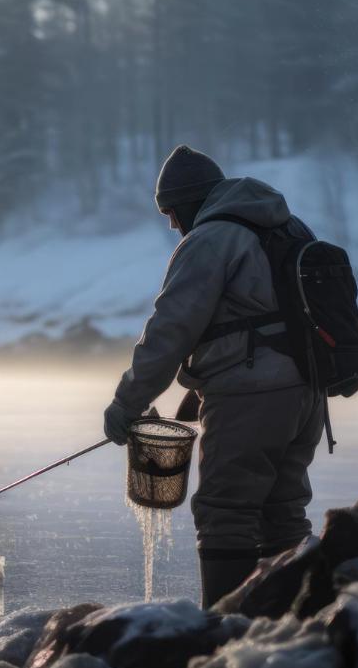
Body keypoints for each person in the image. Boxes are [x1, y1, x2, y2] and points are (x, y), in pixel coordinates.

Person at [103, 145, 324, 608]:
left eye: (170, 211)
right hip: (309, 393)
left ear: (189, 201)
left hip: (250, 397)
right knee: (283, 512)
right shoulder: (286, 226)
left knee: (226, 511)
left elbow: (171, 328)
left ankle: (225, 631)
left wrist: (127, 403)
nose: (171, 224)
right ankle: (295, 622)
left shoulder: (210, 239)